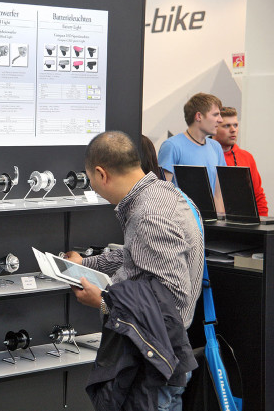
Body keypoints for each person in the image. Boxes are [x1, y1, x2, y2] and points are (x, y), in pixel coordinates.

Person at [67, 131, 203, 411]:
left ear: (101, 174)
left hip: (153, 365)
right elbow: (135, 255)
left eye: (91, 179)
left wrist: (103, 301)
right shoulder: (163, 195)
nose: (93, 188)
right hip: (157, 355)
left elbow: (170, 303)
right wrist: (86, 265)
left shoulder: (148, 215)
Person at [158, 92, 226, 209]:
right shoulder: (172, 146)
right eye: (215, 115)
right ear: (199, 116)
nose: (220, 120)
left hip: (208, 218)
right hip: (180, 217)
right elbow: (163, 193)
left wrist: (219, 220)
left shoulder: (216, 147)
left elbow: (218, 194)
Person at [212, 106, 268, 216]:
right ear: (215, 128)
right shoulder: (204, 154)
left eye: (235, 125)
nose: (233, 130)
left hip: (243, 220)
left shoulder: (246, 157)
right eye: (227, 126)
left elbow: (257, 195)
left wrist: (262, 220)